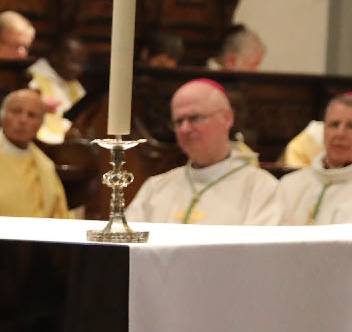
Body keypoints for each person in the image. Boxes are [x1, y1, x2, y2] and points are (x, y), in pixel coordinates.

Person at [128, 79, 280, 225]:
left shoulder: (262, 189)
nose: (184, 129)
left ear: (227, 118)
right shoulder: (155, 188)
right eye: (178, 121)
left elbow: (263, 250)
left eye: (195, 118)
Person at [0, 89, 70, 219]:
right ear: (2, 114)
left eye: (31, 115)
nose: (22, 120)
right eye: (16, 111)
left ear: (41, 123)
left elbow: (59, 215)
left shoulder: (45, 165)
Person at [272, 94, 352, 225]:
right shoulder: (289, 184)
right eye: (334, 125)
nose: (340, 133)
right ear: (324, 130)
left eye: (351, 126)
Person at [27, 35, 88, 144]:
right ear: (55, 56)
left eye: (82, 63)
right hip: (43, 143)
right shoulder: (32, 79)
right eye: (74, 61)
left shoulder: (75, 85)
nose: (79, 69)